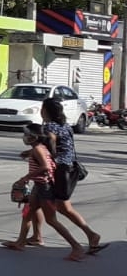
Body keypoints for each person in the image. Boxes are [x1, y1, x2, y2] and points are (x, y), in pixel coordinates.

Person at [5, 124, 86, 260]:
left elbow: (45, 167)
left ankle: (76, 247)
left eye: (26, 134)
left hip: (45, 188)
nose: (24, 137)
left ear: (33, 137)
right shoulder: (40, 148)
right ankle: (20, 242)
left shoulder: (38, 149)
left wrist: (25, 178)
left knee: (51, 220)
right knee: (27, 214)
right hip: (39, 186)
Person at [40, 97, 105, 255]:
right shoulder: (66, 125)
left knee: (63, 208)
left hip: (60, 170)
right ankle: (32, 236)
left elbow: (51, 140)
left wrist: (51, 155)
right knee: (52, 205)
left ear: (46, 111)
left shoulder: (49, 126)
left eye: (42, 108)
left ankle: (89, 236)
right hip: (70, 168)